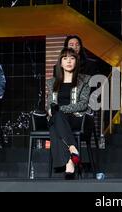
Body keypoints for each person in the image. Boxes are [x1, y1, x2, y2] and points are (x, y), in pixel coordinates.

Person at [46, 47, 92, 180]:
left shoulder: (85, 80)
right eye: (65, 58)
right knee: (56, 119)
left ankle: (71, 152)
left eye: (72, 58)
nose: (69, 61)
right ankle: (70, 160)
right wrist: (51, 110)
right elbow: (50, 104)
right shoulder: (52, 82)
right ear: (60, 63)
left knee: (55, 120)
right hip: (58, 118)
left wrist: (60, 109)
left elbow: (83, 104)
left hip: (76, 117)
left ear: (76, 62)